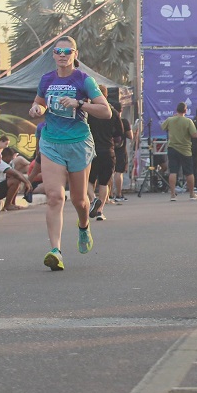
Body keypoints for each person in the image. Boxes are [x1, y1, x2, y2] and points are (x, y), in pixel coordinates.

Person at [29, 36, 112, 271]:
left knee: (79, 200)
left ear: (75, 53)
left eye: (67, 51)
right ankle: (55, 250)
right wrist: (37, 108)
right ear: (53, 55)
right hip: (51, 142)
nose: (62, 55)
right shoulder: (47, 79)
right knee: (55, 196)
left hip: (78, 143)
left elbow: (106, 112)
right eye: (58, 51)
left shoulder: (84, 80)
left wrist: (79, 104)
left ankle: (84, 226)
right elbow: (40, 103)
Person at [86, 84, 123, 221]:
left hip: (90, 150)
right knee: (104, 182)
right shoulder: (112, 112)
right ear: (106, 95)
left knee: (88, 181)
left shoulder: (88, 111)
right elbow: (120, 133)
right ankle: (100, 210)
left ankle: (93, 199)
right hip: (108, 150)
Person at [160, 102, 197, 201]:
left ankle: (172, 194)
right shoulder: (188, 121)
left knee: (173, 171)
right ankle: (191, 194)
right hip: (185, 149)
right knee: (189, 172)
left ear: (176, 110)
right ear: (185, 111)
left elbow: (162, 127)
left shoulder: (170, 120)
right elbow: (194, 135)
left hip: (172, 148)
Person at [0, 147, 32, 212]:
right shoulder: (0, 163)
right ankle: (8, 204)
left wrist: (26, 182)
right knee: (15, 181)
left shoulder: (8, 163)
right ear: (6, 157)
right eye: (10, 158)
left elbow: (16, 174)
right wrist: (27, 183)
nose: (11, 160)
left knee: (16, 179)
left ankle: (12, 203)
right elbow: (16, 174)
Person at [110, 101, 133, 201]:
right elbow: (130, 136)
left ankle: (109, 194)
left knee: (109, 172)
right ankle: (119, 194)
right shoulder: (124, 121)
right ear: (121, 110)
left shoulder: (108, 121)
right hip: (121, 150)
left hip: (109, 148)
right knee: (119, 172)